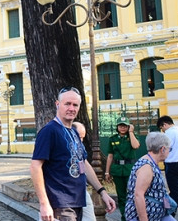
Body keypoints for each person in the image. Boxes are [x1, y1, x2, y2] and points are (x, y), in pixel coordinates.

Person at [31, 87, 116, 221]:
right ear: (57, 104)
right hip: (60, 204)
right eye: (67, 104)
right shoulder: (49, 131)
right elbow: (35, 166)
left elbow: (84, 163)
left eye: (75, 105)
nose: (71, 108)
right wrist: (44, 204)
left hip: (77, 201)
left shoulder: (74, 132)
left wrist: (102, 192)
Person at [125, 132, 176, 221]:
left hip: (158, 215)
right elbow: (138, 195)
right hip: (141, 217)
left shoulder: (151, 162)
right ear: (163, 149)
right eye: (169, 149)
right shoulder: (147, 167)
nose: (169, 152)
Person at [105, 116, 140, 221]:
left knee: (132, 194)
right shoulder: (113, 139)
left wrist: (131, 132)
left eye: (125, 126)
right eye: (120, 125)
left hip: (129, 169)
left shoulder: (132, 137)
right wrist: (107, 172)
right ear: (117, 127)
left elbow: (136, 146)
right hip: (117, 170)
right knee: (121, 196)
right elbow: (110, 156)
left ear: (128, 127)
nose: (122, 128)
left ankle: (133, 215)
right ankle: (124, 216)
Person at [71, 122, 95, 221]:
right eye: (79, 137)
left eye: (83, 137)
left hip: (82, 190)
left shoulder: (80, 146)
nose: (81, 140)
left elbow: (84, 164)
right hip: (66, 193)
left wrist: (101, 190)